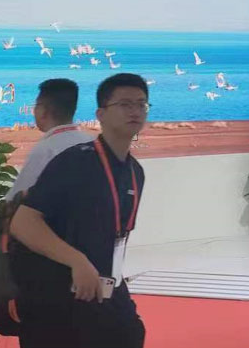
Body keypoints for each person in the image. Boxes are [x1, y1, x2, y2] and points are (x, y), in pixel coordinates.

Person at [10, 73, 149, 348]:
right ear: (101, 114)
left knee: (130, 334)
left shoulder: (135, 172)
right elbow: (23, 223)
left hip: (103, 287)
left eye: (141, 104)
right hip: (56, 295)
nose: (134, 111)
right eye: (124, 104)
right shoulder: (75, 162)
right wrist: (77, 260)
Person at [7, 79, 94, 201]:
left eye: (36, 106)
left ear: (43, 111)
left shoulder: (45, 150)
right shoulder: (92, 142)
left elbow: (15, 200)